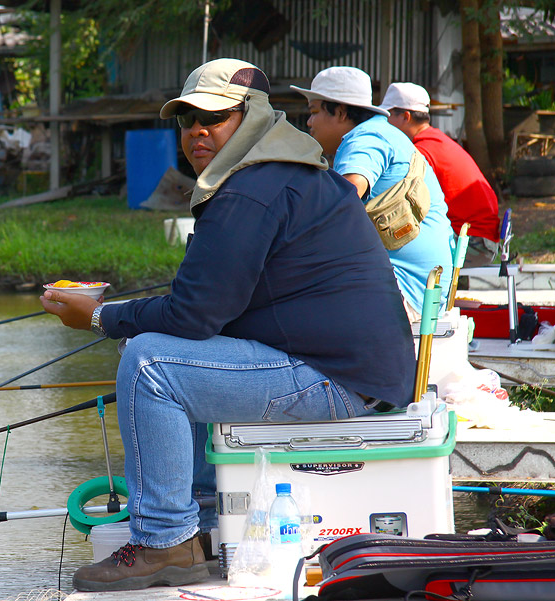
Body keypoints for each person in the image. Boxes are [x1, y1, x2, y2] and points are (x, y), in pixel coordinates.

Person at [40, 58, 417, 592]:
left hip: (341, 381)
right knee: (168, 348)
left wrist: (100, 316)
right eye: (187, 119)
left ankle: (165, 540)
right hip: (358, 373)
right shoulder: (280, 172)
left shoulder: (250, 190)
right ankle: (204, 523)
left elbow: (192, 314)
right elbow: (206, 306)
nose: (197, 130)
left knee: (149, 363)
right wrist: (119, 312)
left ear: (252, 117)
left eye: (214, 118)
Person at [292, 67, 455, 319]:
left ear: (341, 111)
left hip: (404, 289)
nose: (309, 122)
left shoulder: (363, 138)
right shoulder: (386, 132)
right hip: (427, 287)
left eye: (314, 111)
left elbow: (345, 197)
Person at [380, 82, 500, 266]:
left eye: (387, 116)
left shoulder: (422, 152)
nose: (384, 124)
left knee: (391, 254)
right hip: (482, 239)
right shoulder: (437, 141)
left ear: (405, 116)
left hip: (473, 244)